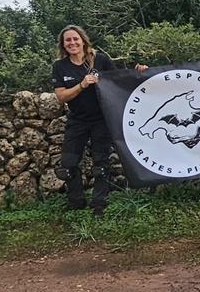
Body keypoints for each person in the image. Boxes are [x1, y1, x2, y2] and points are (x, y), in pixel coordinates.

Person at [51, 25, 147, 217]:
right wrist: (82, 85)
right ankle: (76, 201)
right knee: (68, 164)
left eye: (75, 39)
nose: (72, 43)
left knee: (100, 164)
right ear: (63, 45)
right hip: (77, 120)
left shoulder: (100, 60)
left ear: (83, 40)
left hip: (102, 119)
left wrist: (138, 73)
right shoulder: (60, 67)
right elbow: (61, 96)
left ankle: (99, 205)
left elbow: (119, 80)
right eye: (68, 40)